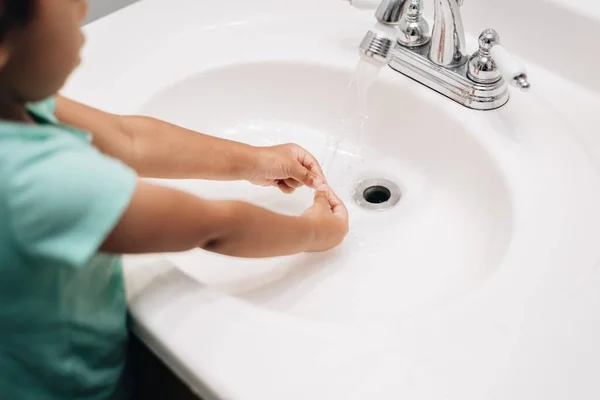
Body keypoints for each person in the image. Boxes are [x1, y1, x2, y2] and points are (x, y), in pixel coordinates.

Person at [0, 0, 349, 399]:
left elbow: (127, 138)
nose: (82, 7)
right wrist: (315, 231)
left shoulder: (12, 98)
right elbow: (215, 227)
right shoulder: (36, 181)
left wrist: (257, 160)